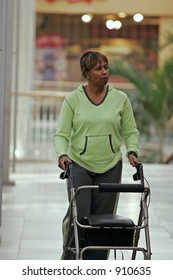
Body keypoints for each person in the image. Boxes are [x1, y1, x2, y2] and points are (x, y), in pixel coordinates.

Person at [54, 51, 140, 260]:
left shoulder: (120, 99)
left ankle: (97, 264)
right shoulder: (73, 100)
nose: (104, 72)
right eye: (98, 68)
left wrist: (131, 150)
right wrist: (62, 155)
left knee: (104, 221)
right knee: (80, 217)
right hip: (79, 165)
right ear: (87, 73)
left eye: (106, 67)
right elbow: (62, 134)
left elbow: (130, 131)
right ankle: (71, 256)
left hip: (110, 165)